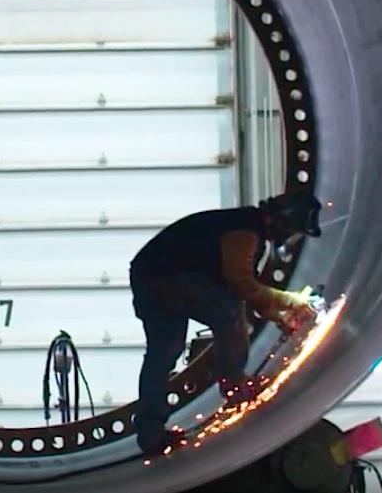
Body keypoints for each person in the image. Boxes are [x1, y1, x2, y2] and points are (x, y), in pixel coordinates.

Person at [128, 191, 324, 456]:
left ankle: (150, 434)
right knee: (227, 311)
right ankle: (234, 386)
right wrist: (289, 301)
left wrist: (280, 316)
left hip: (148, 275)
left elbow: (246, 290)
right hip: (165, 277)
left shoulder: (245, 227)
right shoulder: (244, 232)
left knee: (164, 352)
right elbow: (241, 285)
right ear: (285, 221)